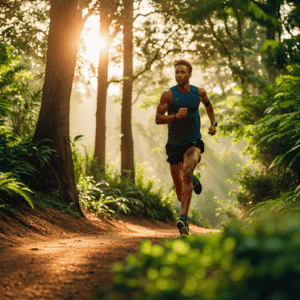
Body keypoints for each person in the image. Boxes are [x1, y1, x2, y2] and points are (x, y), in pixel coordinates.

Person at [155, 59, 217, 236]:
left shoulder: (199, 93)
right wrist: (174, 116)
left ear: (189, 74)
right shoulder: (169, 95)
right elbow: (158, 118)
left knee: (187, 173)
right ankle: (195, 179)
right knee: (181, 195)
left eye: (182, 72)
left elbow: (208, 104)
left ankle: (183, 220)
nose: (179, 75)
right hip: (174, 145)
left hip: (193, 143)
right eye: (177, 72)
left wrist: (213, 123)